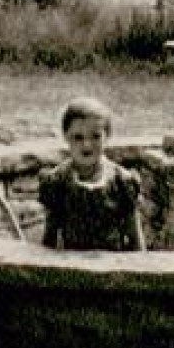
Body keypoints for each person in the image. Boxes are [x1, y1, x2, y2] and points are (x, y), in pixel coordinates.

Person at [39, 97, 145, 252]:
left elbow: (135, 238)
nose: (86, 145)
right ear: (66, 137)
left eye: (95, 136)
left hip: (113, 267)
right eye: (78, 137)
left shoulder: (122, 181)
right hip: (73, 266)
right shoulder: (58, 181)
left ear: (107, 136)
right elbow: (49, 238)